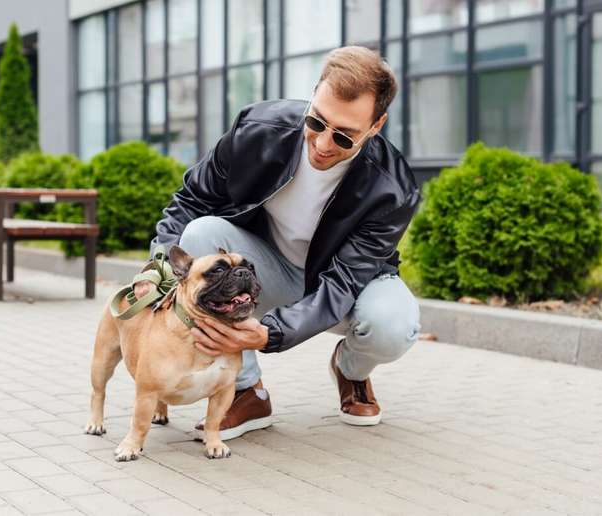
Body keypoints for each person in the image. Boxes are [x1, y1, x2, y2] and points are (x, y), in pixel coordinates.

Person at [134, 45, 421, 439]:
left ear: (376, 125)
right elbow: (190, 201)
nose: (322, 144)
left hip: (345, 284)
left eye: (344, 136)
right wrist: (161, 271)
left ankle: (350, 371)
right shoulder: (257, 130)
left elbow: (342, 283)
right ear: (315, 92)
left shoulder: (393, 189)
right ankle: (246, 390)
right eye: (317, 122)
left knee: (394, 326)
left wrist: (272, 333)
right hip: (267, 268)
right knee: (200, 233)